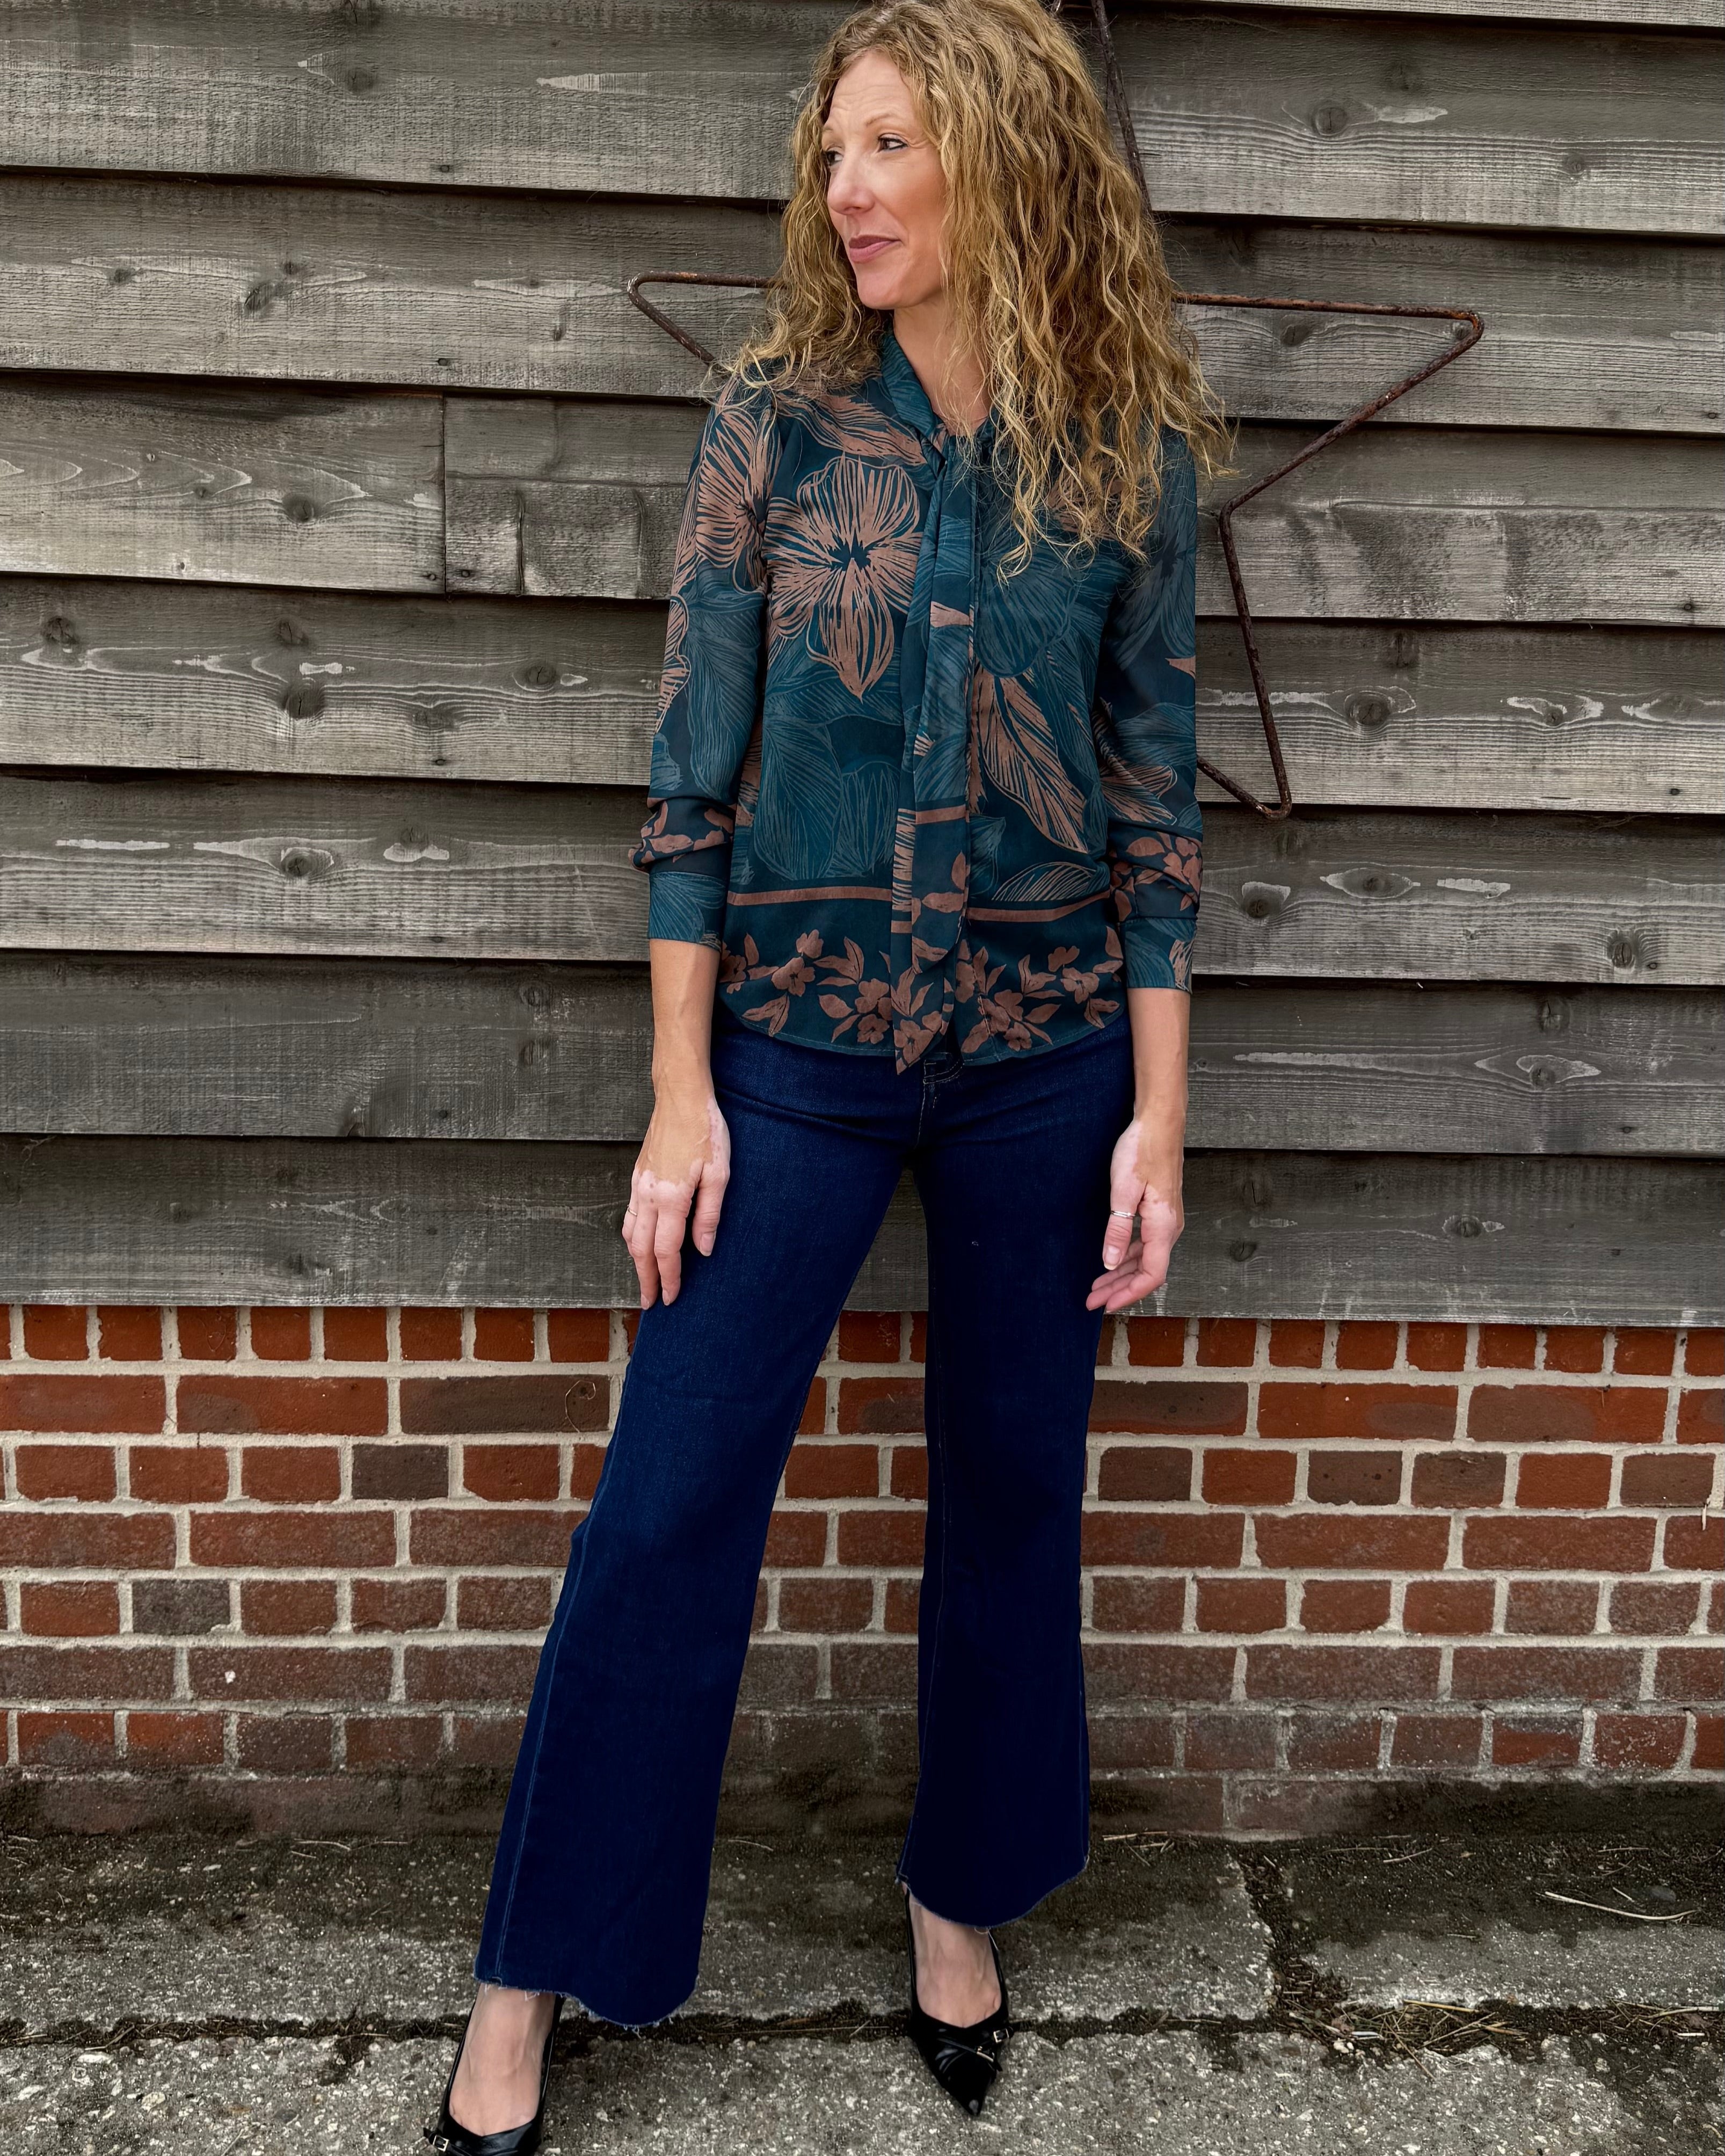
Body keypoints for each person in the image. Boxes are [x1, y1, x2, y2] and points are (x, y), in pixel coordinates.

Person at [424, 1, 1230, 2146]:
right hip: (789, 1051)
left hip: (1052, 1058)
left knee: (1008, 1499)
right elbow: (689, 785)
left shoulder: (1122, 448)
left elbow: (1157, 807)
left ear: (1000, 154)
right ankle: (529, 1970)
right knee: (671, 1489)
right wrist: (679, 1092)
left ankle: (958, 1893)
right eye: (833, 152)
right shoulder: (774, 424)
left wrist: (1162, 1109)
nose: (848, 189)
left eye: (890, 145)